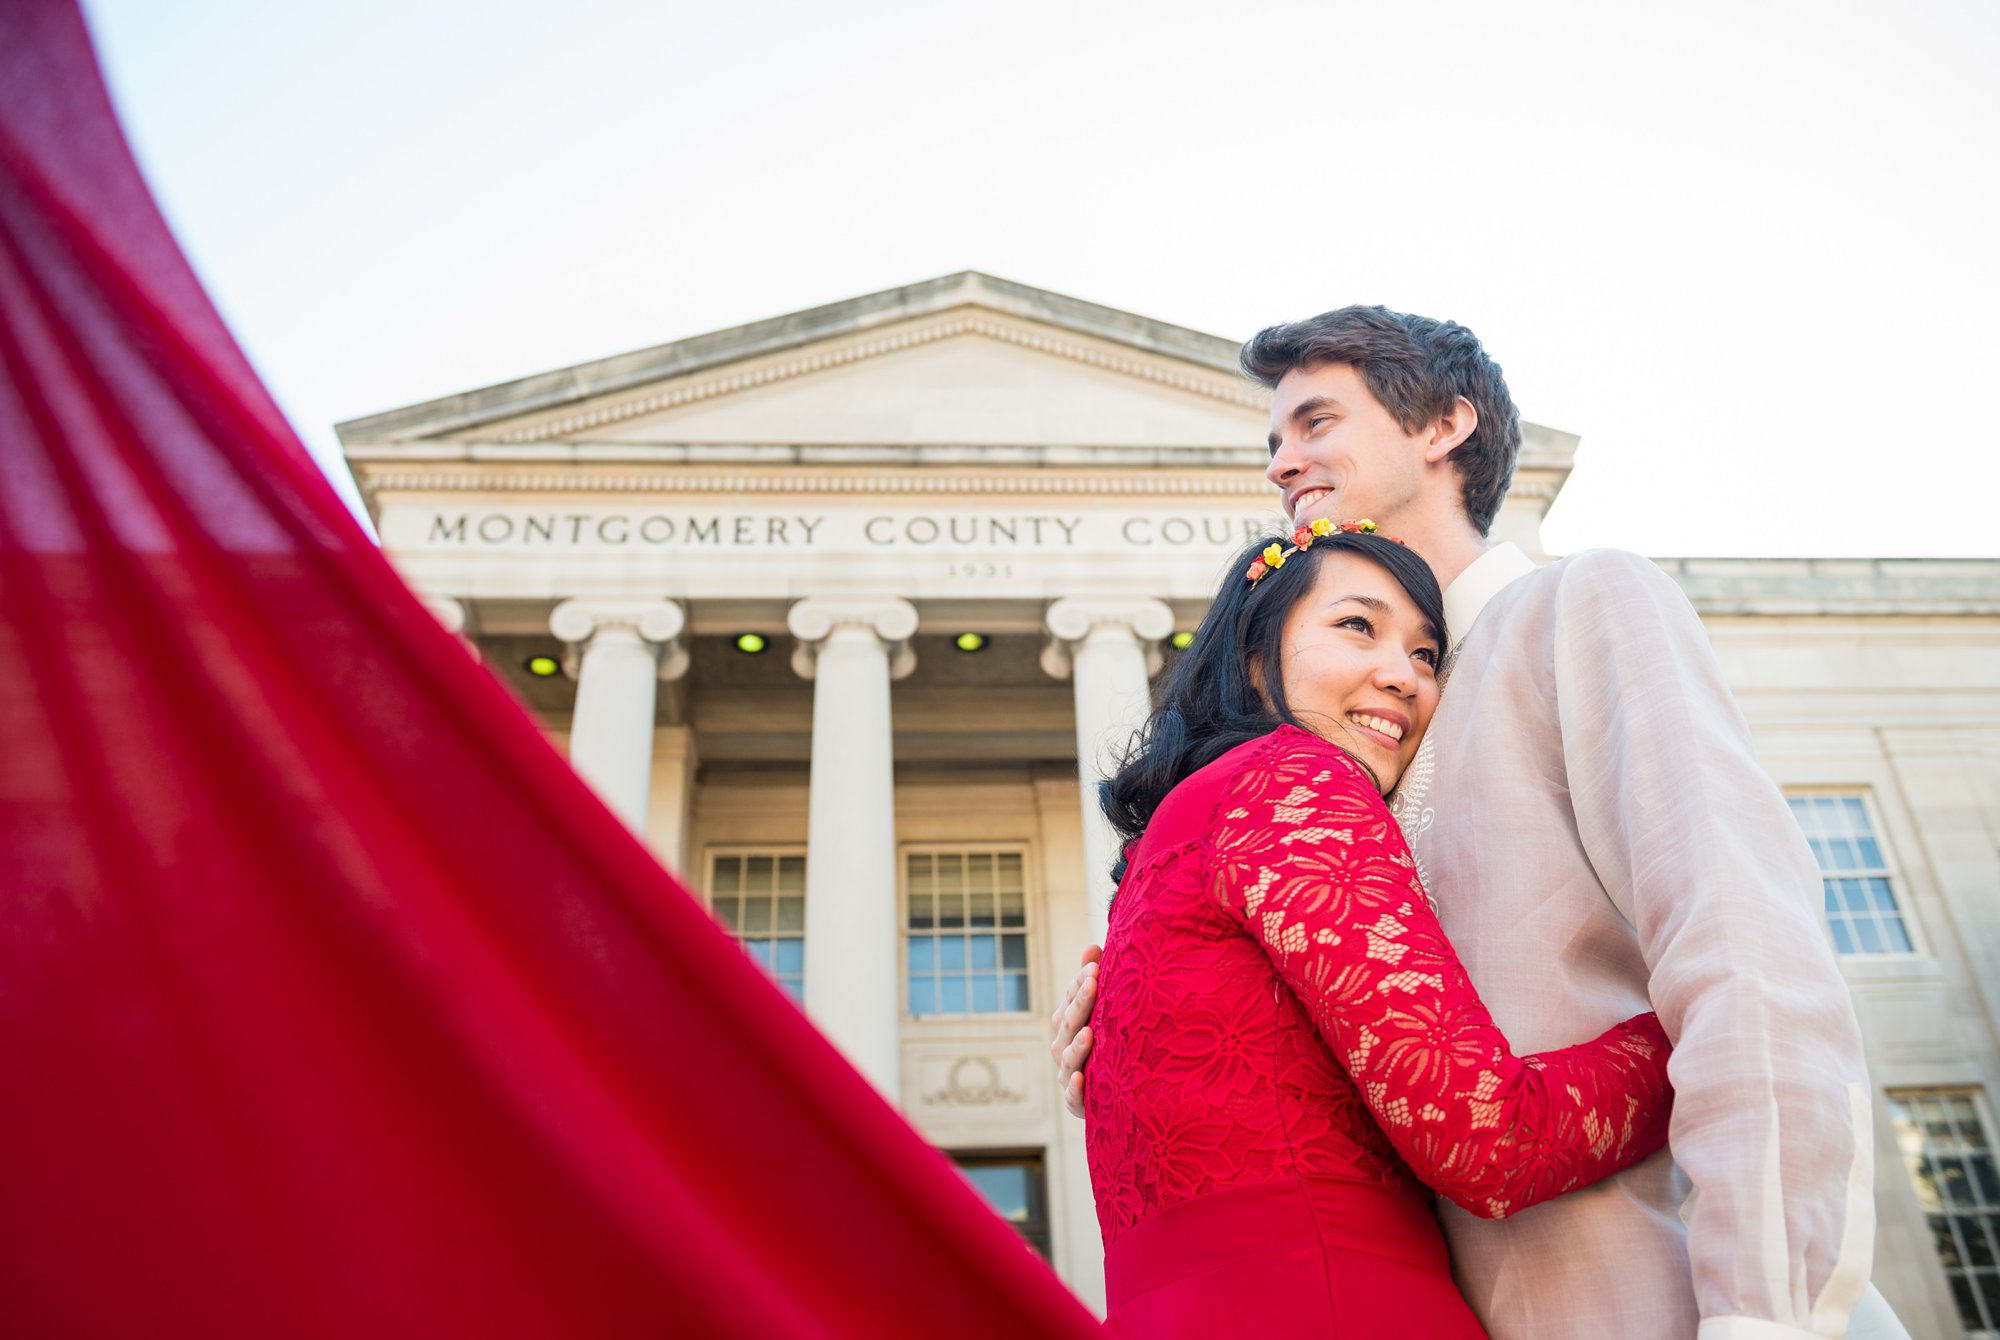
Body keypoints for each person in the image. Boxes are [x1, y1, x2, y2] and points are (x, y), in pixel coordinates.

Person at [1056, 306, 1908, 1338]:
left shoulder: (1582, 603)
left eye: (1314, 423)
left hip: (1657, 1300)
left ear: (1442, 425)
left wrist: (1765, 1317)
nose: (1283, 462)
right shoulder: (1328, 753)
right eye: (1272, 442)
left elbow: (1747, 958)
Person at [1086, 519, 1676, 1337]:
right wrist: (1697, 1037)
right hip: (1333, 1299)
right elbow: (1485, 1138)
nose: (1402, 677)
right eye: (1357, 625)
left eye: (1428, 655)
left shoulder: (1168, 841)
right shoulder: (1293, 780)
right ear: (1255, 654)